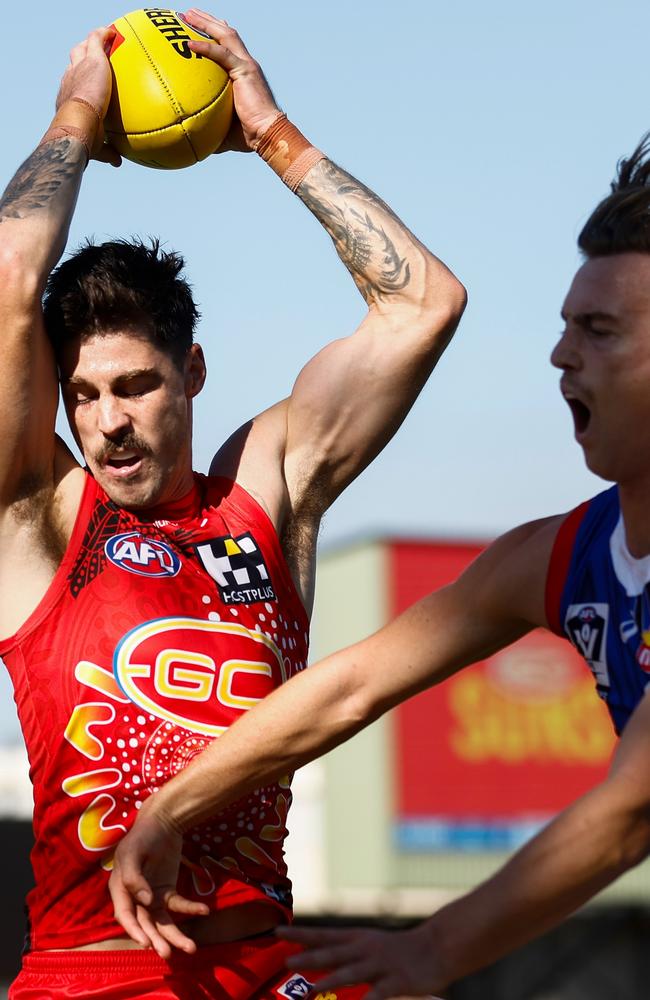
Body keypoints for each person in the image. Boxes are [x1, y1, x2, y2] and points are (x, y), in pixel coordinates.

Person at [108, 123, 650, 995]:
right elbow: (353, 683)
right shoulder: (567, 554)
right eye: (562, 325)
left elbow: (633, 808)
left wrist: (430, 950)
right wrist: (171, 806)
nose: (559, 353)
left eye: (598, 329)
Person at [0, 8, 466, 1000]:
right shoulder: (39, 516)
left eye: (135, 385)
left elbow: (421, 303)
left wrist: (265, 131)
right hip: (89, 976)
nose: (108, 422)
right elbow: (8, 278)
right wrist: (77, 113)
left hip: (260, 966)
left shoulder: (263, 491)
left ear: (192, 369)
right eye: (82, 395)